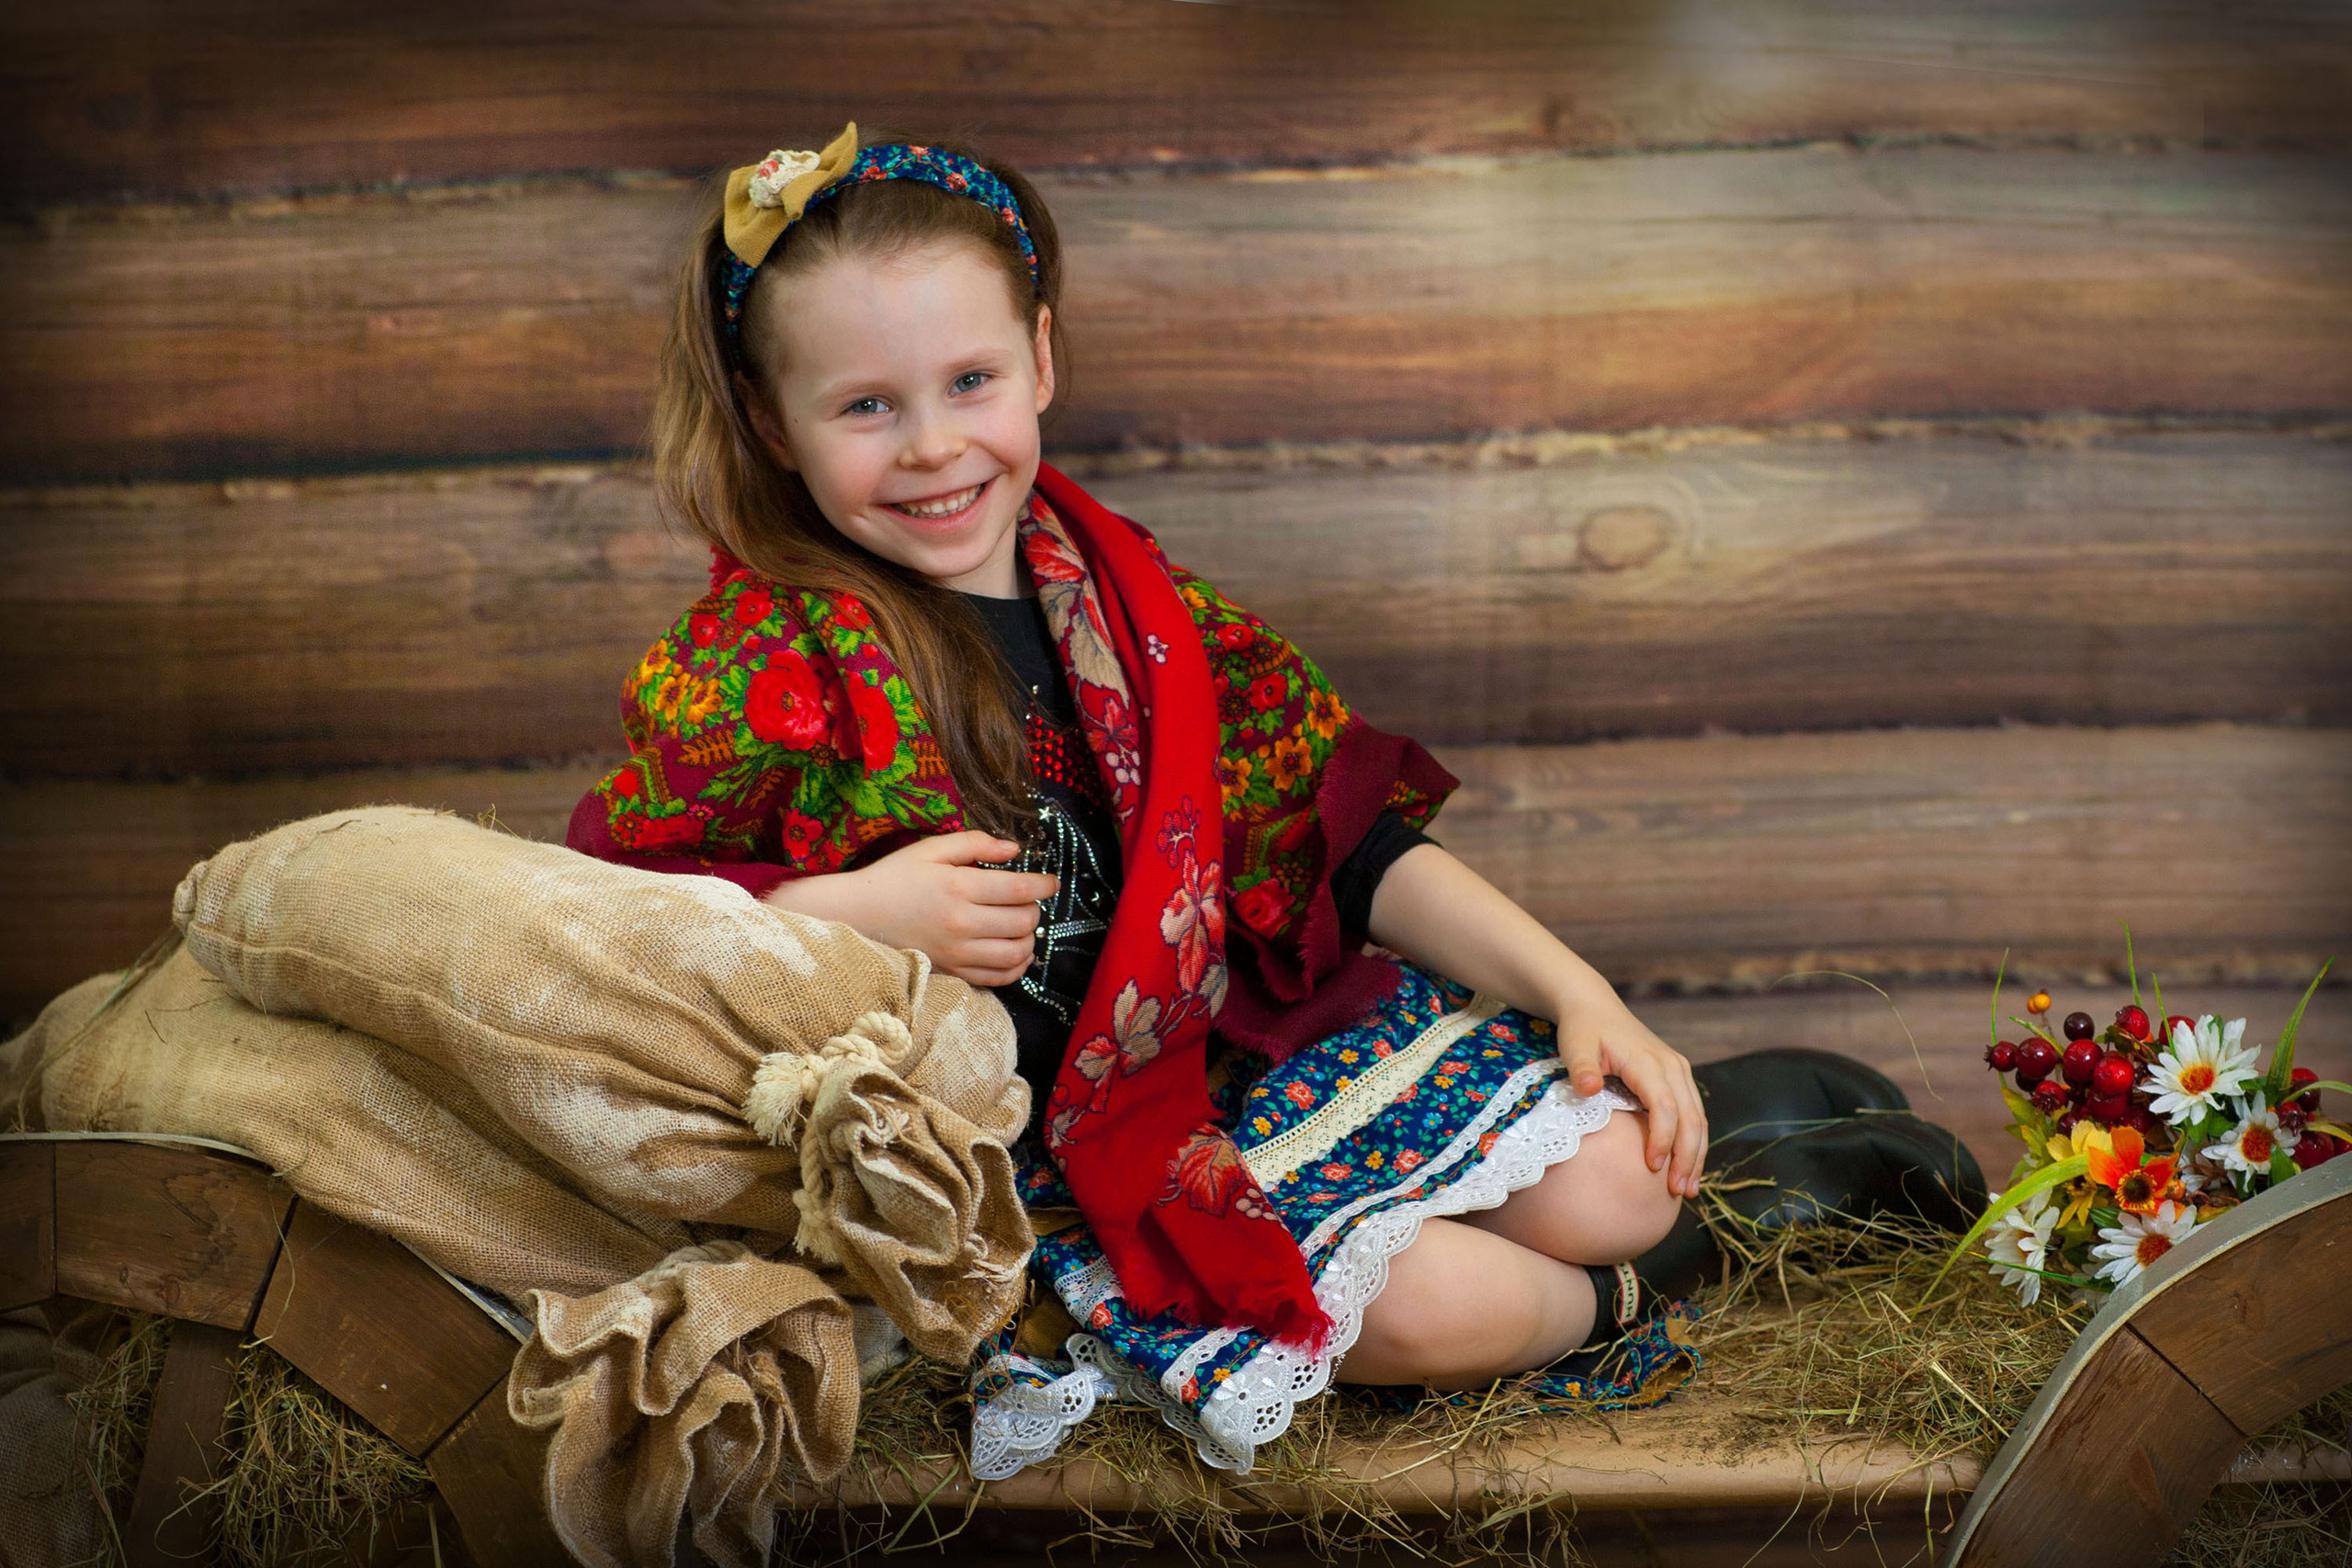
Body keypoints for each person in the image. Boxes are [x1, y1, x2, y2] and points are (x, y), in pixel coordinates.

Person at [566, 124, 1705, 1474]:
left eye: (971, 380)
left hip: (1220, 1052)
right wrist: (845, 910)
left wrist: (1584, 994)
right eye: (865, 406)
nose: (934, 448)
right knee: (1427, 1308)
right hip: (1045, 1150)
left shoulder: (1133, 600)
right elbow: (617, 920)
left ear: (1040, 358)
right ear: (772, 422)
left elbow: (1340, 844)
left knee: (1629, 1172)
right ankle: (1617, 1311)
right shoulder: (754, 656)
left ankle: (1643, 1233)